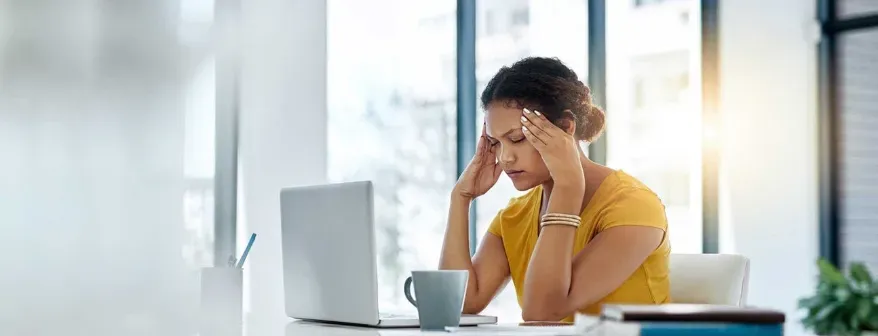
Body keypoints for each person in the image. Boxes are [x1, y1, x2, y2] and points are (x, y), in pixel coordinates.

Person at [438, 57, 671, 323]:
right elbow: (459, 302)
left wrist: (568, 186)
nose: (505, 158)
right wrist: (460, 198)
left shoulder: (634, 206)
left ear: (565, 128)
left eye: (516, 139)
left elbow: (542, 312)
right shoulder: (515, 216)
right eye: (495, 143)